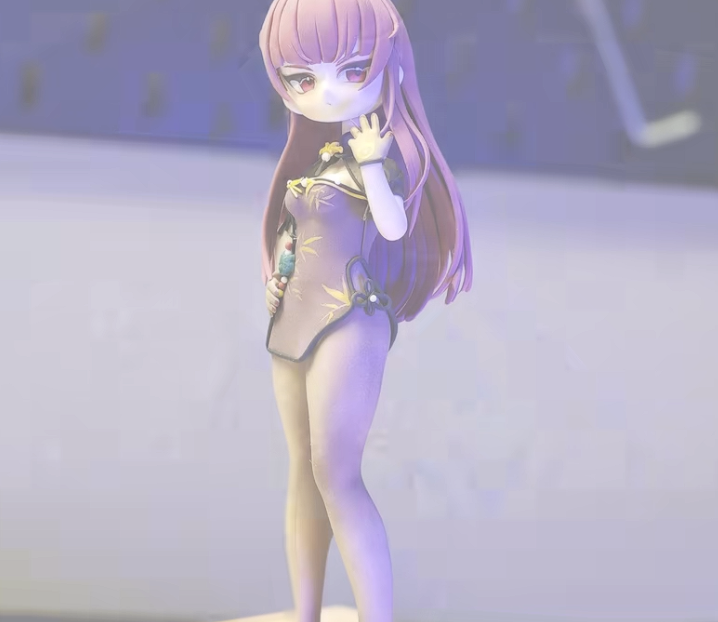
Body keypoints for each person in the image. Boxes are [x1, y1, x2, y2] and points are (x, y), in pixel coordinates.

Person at [258, 0, 472, 619]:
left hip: (349, 316)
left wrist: (374, 164)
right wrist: (280, 272)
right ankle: (305, 611)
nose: (325, 92)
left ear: (390, 65)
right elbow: (295, 232)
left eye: (351, 70)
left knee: (336, 472)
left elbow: (392, 225)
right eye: (302, 78)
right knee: (303, 470)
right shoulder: (316, 160)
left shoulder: (378, 157)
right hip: (293, 318)